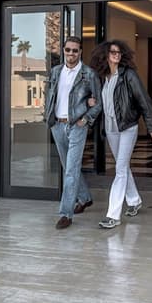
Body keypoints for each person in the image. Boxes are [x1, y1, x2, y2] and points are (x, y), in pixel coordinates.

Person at [90, 39, 152, 229]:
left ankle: (113, 215)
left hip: (127, 127)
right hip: (111, 128)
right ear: (105, 55)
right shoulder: (102, 77)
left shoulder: (128, 75)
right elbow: (99, 101)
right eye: (113, 52)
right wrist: (91, 101)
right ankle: (134, 200)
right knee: (123, 167)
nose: (116, 55)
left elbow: (143, 100)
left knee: (120, 169)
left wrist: (151, 127)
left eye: (119, 52)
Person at [44, 36, 102, 229]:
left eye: (75, 50)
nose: (71, 53)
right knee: (68, 167)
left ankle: (65, 214)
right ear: (63, 50)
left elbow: (98, 103)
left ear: (80, 52)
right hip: (57, 125)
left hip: (77, 126)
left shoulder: (88, 74)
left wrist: (85, 119)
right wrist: (48, 116)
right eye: (68, 49)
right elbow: (50, 96)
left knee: (70, 170)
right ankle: (84, 198)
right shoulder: (55, 71)